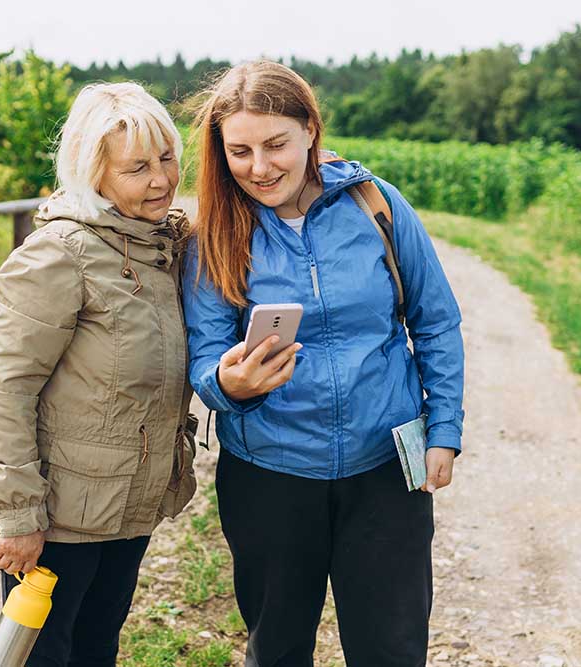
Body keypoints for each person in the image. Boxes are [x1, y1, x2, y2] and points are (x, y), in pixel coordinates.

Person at [182, 61, 465, 667]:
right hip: (269, 476)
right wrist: (229, 385)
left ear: (310, 128)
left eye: (276, 144)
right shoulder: (214, 232)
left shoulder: (376, 204)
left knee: (391, 650)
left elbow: (435, 322)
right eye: (240, 151)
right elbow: (205, 356)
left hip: (386, 469)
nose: (260, 167)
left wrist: (443, 430)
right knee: (277, 650)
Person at [0, 81, 197, 666]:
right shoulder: (59, 254)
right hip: (59, 521)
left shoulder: (158, 248)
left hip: (127, 508)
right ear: (93, 172)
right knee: (41, 657)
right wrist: (19, 515)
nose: (161, 180)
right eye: (137, 168)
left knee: (97, 650)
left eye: (167, 159)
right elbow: (7, 389)